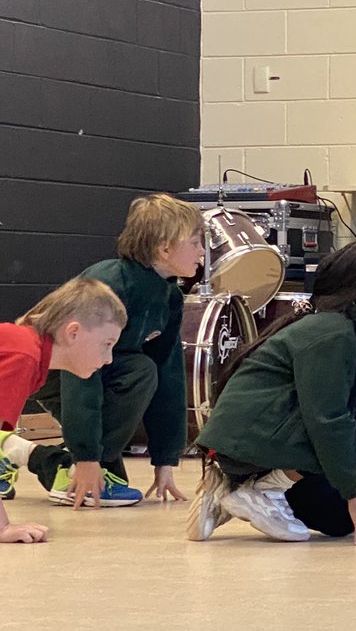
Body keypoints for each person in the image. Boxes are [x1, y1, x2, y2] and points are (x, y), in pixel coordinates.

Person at [187, 240, 356, 545]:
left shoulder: (339, 328)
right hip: (248, 445)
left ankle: (227, 487)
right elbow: (328, 420)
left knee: (338, 520)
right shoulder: (333, 334)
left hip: (244, 446)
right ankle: (261, 490)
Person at [22, 194, 204, 508]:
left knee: (144, 369)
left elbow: (169, 373)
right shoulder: (107, 286)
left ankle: (29, 455)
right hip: (54, 370)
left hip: (100, 367)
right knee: (137, 371)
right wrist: (87, 457)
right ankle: (64, 466)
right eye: (196, 242)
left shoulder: (170, 296)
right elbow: (78, 372)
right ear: (165, 247)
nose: (202, 252)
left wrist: (165, 459)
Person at [0, 278, 126, 542]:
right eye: (106, 344)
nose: (109, 358)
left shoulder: (27, 351)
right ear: (73, 333)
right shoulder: (25, 355)